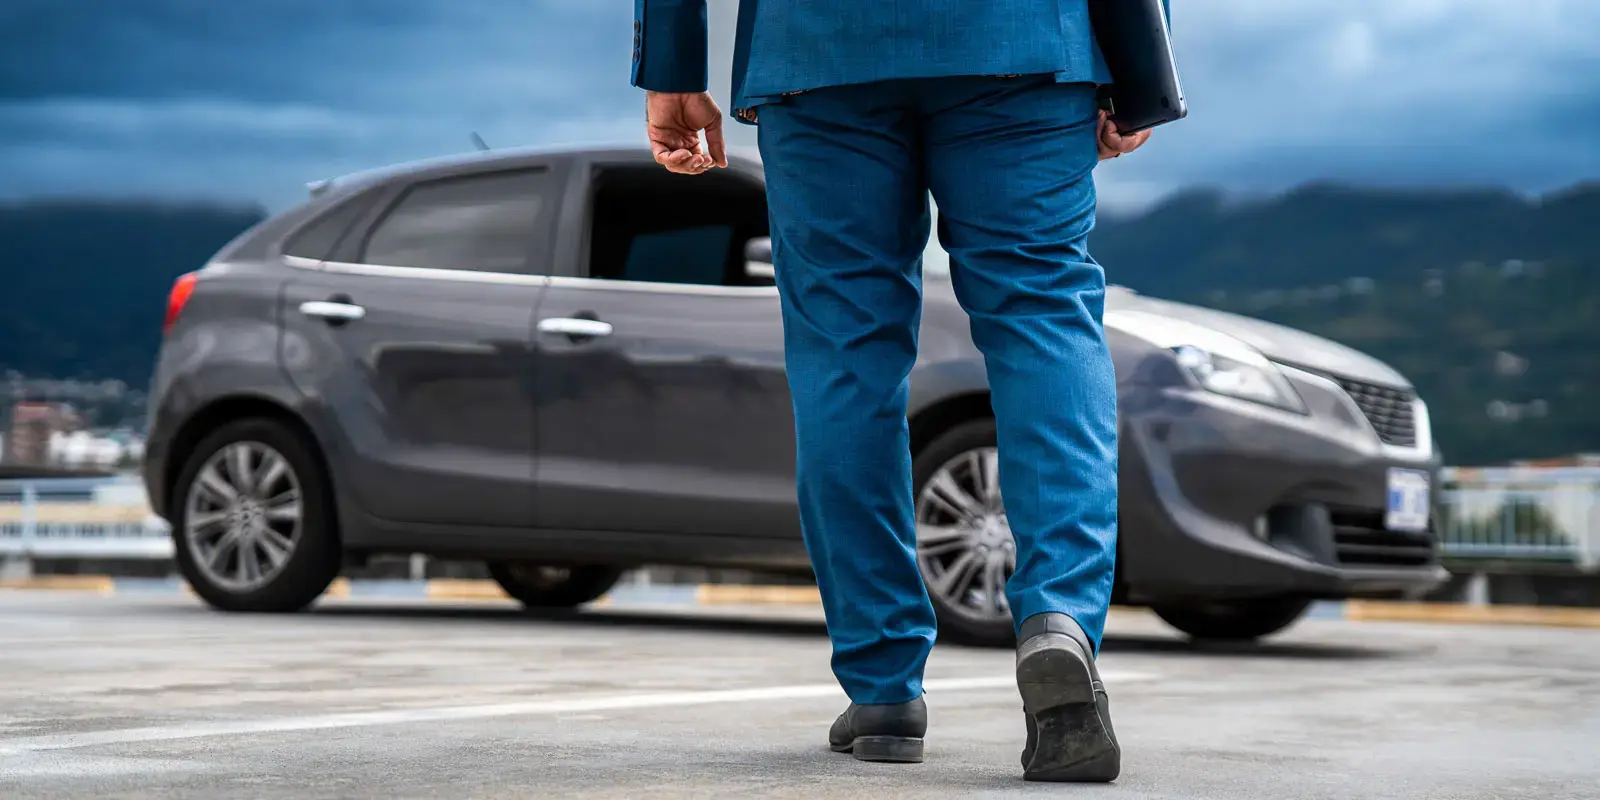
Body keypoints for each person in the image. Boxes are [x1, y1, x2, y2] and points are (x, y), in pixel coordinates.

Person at [632, 0, 1155, 783]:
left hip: (815, 54)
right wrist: (1142, 67)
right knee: (1043, 317)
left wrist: (671, 66)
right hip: (1024, 41)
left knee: (845, 355)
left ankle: (882, 687)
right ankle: (1060, 623)